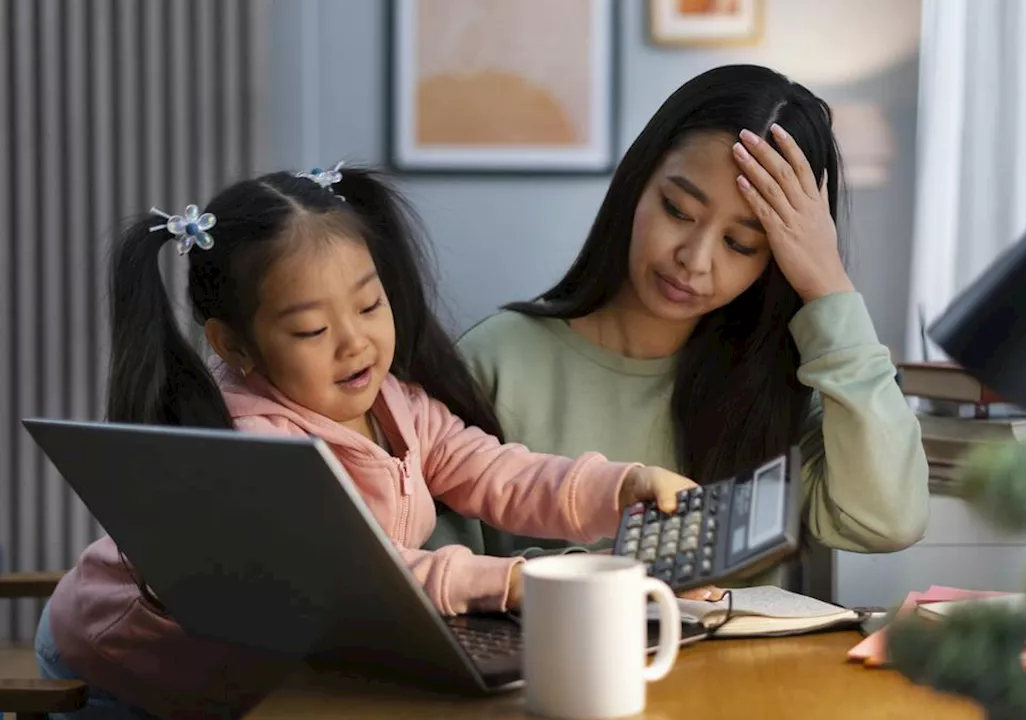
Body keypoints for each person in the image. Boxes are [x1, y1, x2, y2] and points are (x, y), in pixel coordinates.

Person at [35, 164, 695, 719]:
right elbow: (365, 580)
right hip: (124, 663)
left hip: (260, 669)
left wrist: (622, 486)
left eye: (369, 305)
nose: (355, 343)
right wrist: (514, 580)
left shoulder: (398, 403)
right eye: (311, 330)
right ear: (233, 345)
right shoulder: (255, 446)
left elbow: (497, 472)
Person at [448, 64, 930, 587]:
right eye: (677, 210)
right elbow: (433, 588)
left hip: (750, 671)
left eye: (740, 244)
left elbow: (889, 521)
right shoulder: (494, 361)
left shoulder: (788, 386)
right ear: (637, 184)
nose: (695, 260)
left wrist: (828, 283)